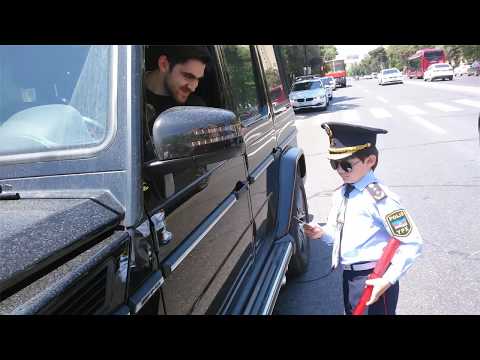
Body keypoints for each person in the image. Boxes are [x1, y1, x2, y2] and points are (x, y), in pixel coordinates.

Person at [303, 122, 423, 315]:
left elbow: (411, 242)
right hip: (349, 276)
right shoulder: (342, 193)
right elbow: (339, 232)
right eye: (334, 164)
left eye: (346, 164)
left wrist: (388, 279)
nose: (340, 170)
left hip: (374, 276)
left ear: (370, 161)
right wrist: (322, 233)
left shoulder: (379, 198)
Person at [143, 45, 211, 161]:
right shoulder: (122, 97)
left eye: (198, 79)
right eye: (188, 76)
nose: (193, 87)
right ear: (164, 64)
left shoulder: (195, 109)